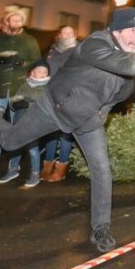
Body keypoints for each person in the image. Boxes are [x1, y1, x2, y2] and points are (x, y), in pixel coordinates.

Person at [0, 7, 135, 252]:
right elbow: (114, 60)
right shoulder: (95, 44)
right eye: (129, 30)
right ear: (115, 30)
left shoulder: (127, 74)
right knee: (11, 142)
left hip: (87, 121)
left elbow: (116, 96)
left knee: (102, 171)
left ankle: (101, 228)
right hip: (52, 108)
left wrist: (100, 113)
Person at [0, 8, 41, 172]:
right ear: (7, 22)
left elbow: (37, 62)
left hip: (18, 88)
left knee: (17, 125)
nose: (16, 23)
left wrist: (23, 64)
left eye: (19, 20)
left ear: (23, 22)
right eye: (13, 20)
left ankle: (15, 160)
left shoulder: (30, 40)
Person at [0, 61, 52, 188]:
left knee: (33, 149)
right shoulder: (25, 85)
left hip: (34, 123)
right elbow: (14, 100)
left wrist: (28, 103)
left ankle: (35, 174)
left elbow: (45, 104)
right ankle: (13, 170)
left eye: (45, 72)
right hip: (19, 121)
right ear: (32, 72)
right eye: (39, 71)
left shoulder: (48, 87)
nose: (43, 74)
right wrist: (14, 103)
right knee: (15, 146)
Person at [41, 25, 79, 182]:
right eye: (65, 32)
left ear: (74, 35)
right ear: (60, 35)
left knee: (65, 133)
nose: (68, 35)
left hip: (69, 95)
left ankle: (61, 168)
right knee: (50, 132)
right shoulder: (52, 50)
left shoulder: (79, 51)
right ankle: (47, 167)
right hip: (51, 93)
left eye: (71, 32)